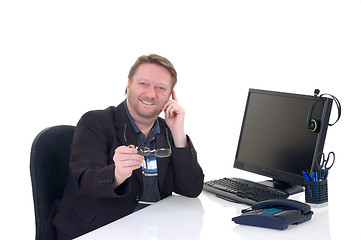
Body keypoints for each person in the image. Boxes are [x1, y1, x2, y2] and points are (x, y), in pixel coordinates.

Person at [42, 54, 204, 239]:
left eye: (161, 88)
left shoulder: (168, 130)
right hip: (95, 229)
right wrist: (117, 174)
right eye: (143, 84)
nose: (151, 94)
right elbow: (85, 182)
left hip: (153, 228)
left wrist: (178, 134)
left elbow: (191, 189)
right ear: (128, 85)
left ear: (170, 96)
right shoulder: (95, 122)